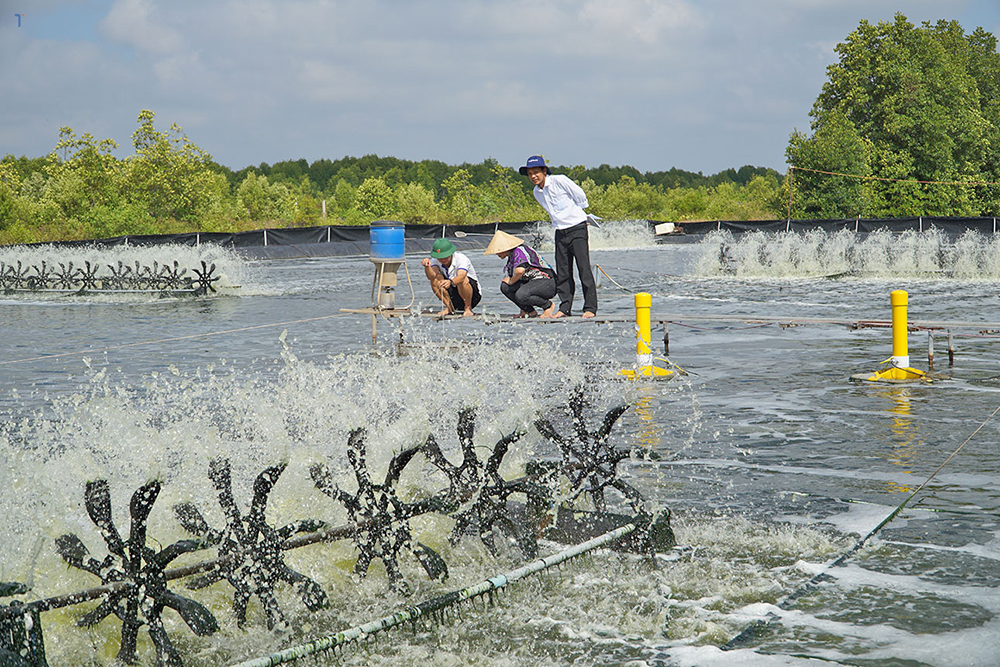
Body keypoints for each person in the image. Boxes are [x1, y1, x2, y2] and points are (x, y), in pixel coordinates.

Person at [519, 155, 597, 318]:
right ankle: (565, 308)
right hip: (560, 231)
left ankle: (590, 308)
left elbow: (580, 195)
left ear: (544, 171)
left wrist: (579, 214)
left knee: (584, 268)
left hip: (577, 228)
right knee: (563, 272)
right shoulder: (536, 192)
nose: (533, 176)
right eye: (530, 174)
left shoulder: (559, 180)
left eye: (536, 172)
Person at [483, 229, 557, 318]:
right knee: (505, 287)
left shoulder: (519, 252)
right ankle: (528, 311)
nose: (496, 253)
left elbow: (520, 271)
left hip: (547, 281)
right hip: (532, 282)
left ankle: (548, 306)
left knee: (521, 295)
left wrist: (511, 281)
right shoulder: (511, 255)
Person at [421, 238, 481, 317]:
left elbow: (461, 276)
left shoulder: (462, 259)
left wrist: (451, 282)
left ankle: (468, 308)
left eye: (445, 257)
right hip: (454, 295)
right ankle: (449, 307)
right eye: (440, 257)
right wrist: (427, 267)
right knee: (435, 279)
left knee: (462, 280)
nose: (443, 259)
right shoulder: (435, 260)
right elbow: (431, 276)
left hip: (472, 295)